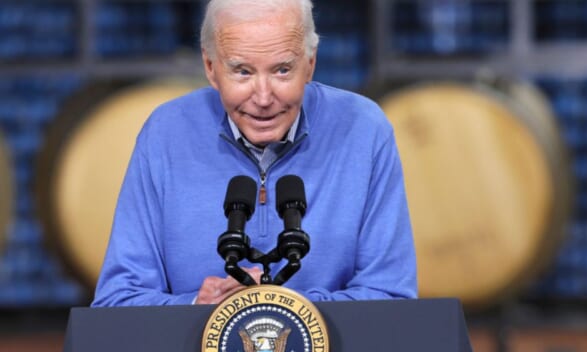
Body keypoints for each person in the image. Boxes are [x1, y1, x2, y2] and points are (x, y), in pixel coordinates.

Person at [91, 0, 417, 306]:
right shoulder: (165, 133)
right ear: (210, 67)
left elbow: (391, 296)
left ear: (311, 64)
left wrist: (275, 306)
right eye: (243, 72)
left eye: (282, 71)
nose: (262, 98)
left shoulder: (364, 129)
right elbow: (117, 301)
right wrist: (199, 307)